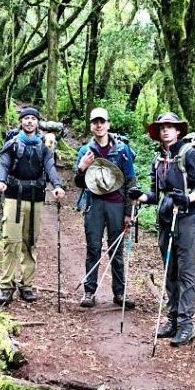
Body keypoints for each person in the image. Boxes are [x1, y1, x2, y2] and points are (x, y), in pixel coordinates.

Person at [129, 112, 195, 346]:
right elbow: (156, 194)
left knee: (186, 272)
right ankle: (172, 319)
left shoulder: (189, 154)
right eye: (162, 127)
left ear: (178, 130)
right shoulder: (158, 159)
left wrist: (188, 198)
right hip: (165, 219)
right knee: (169, 271)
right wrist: (141, 196)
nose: (165, 131)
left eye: (170, 127)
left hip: (186, 219)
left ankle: (186, 324)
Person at [0, 106, 65, 304]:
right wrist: (0, 180)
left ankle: (27, 285)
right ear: (21, 122)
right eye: (26, 119)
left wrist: (57, 185)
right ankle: (7, 286)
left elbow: (49, 166)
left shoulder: (44, 145)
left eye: (33, 119)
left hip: (35, 198)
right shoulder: (13, 142)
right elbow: (4, 164)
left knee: (30, 243)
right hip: (13, 196)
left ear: (37, 123)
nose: (29, 122)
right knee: (11, 242)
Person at [74, 107, 137, 309]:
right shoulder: (86, 151)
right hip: (94, 204)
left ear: (108, 124)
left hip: (116, 204)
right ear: (91, 126)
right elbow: (79, 183)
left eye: (102, 121)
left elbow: (130, 181)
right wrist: (82, 167)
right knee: (93, 247)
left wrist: (129, 212)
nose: (99, 125)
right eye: (95, 122)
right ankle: (89, 291)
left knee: (116, 249)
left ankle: (120, 293)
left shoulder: (122, 149)